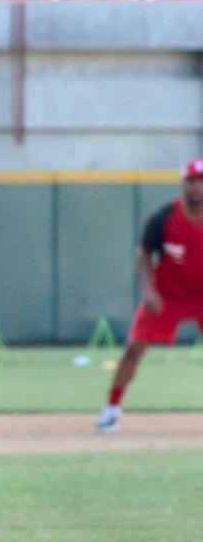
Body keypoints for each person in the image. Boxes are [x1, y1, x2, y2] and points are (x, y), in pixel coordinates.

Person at [98, 159, 203, 433]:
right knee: (133, 349)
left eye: (201, 181)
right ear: (183, 183)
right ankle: (110, 409)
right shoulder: (164, 217)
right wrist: (147, 288)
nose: (196, 186)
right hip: (167, 294)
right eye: (191, 180)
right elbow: (144, 252)